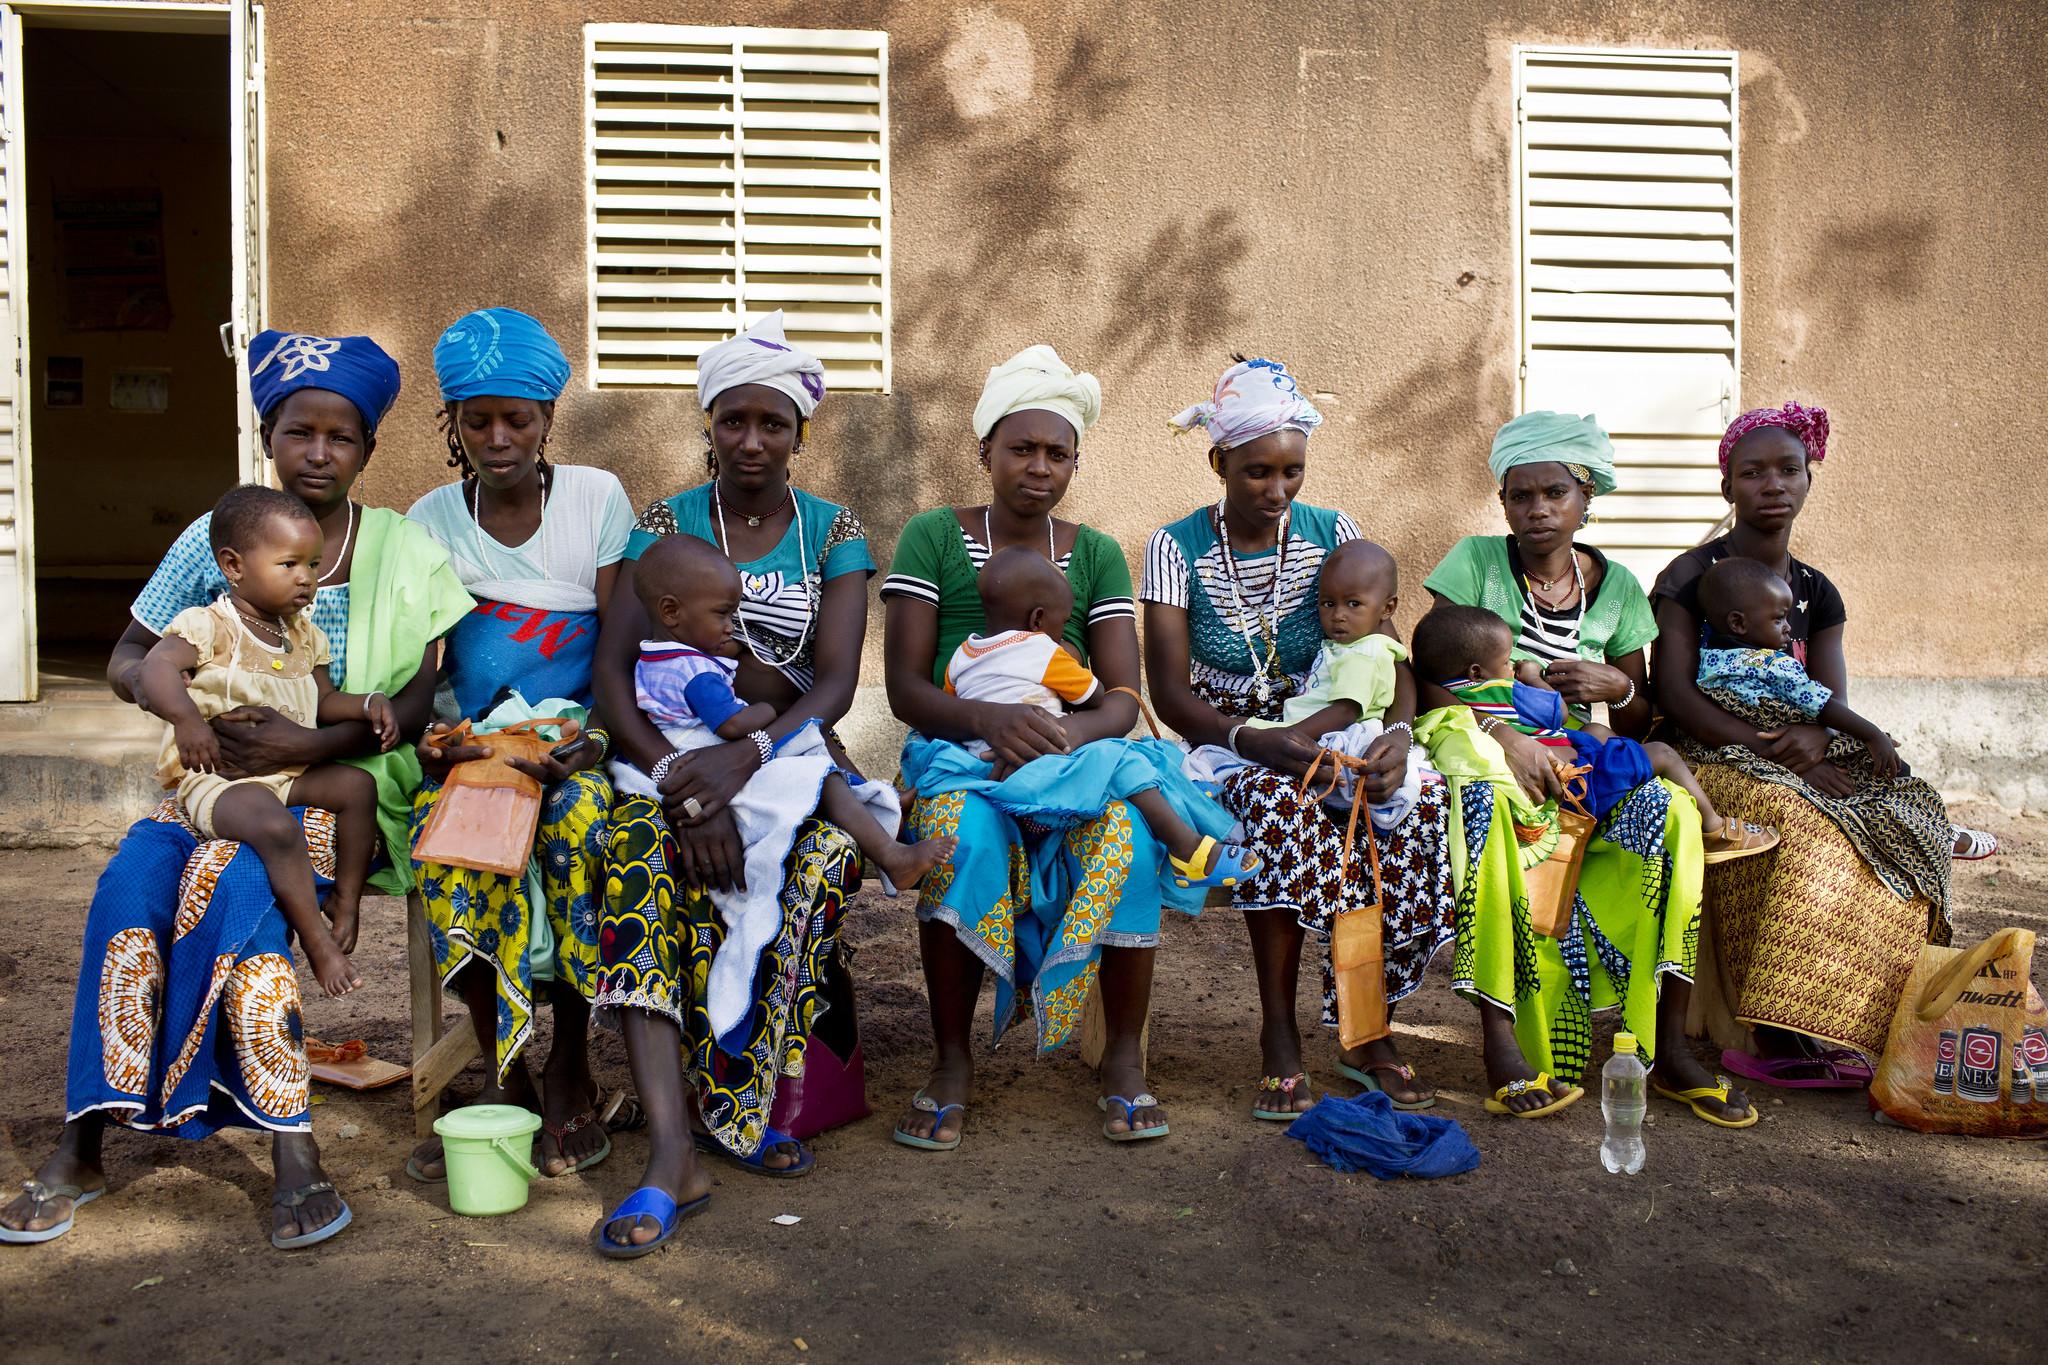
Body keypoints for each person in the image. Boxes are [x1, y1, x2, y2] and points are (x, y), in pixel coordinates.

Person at [0, 330, 469, 1249]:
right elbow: (126, 660)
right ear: (270, 434)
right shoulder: (217, 541)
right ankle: (84, 1139)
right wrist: (193, 716)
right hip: (204, 782)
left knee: (243, 884)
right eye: (300, 432)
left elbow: (413, 700)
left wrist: (304, 736)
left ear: (369, 449)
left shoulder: (401, 549)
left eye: (342, 436)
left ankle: (291, 1146)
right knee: (129, 888)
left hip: (330, 793)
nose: (320, 452)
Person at [592, 312, 875, 1256]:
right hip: (668, 755)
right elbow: (613, 666)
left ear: (800, 433)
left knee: (824, 857)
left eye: (773, 424)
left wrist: (745, 760)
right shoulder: (664, 525)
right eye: (732, 422)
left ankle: (745, 1104)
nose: (751, 441)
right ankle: (673, 1149)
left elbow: (833, 682)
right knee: (636, 852)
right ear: (708, 422)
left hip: (785, 754)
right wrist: (680, 777)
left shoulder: (836, 530)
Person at [1143, 355, 1455, 1118]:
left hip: (1343, 729)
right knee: (1281, 807)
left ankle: (1365, 1027)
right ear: (1219, 461)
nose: (1277, 491)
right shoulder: (1174, 547)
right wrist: (1255, 741)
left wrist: (1399, 736)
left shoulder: (1333, 532)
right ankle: (1279, 1033)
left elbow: (1390, 649)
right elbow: (1170, 694)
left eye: (1292, 471)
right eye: (1256, 472)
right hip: (1228, 744)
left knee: (1413, 805)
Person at [1422, 411, 1753, 1128]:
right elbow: (1435, 676)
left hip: (1585, 764)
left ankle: (1667, 1048)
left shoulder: (1621, 587)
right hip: (1493, 751)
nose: (1536, 509)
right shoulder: (1473, 563)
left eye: (1554, 493)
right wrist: (1503, 735)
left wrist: (1619, 688)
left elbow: (1639, 720)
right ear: (1503, 503)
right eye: (1519, 496)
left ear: (1586, 496)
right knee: (1484, 796)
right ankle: (1500, 1040)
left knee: (1672, 815)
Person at [887, 344, 1174, 1147]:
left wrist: (1061, 735)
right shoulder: (934, 537)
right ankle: (951, 1059)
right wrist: (987, 723)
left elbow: (1122, 694)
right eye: (1022, 447)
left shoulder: (1096, 553)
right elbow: (907, 685)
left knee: (1126, 835)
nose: (1040, 466)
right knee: (958, 836)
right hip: (959, 751)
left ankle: (1122, 1057)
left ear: (1076, 460)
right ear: (985, 450)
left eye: (1058, 452)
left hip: (1070, 751)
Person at [1652, 403, 1963, 1088]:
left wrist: (1820, 738)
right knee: (1795, 822)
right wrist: (1773, 750)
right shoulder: (1691, 578)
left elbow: (1829, 696)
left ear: (1808, 479)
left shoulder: (1817, 591)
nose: (1772, 485)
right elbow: (1673, 692)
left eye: (1788, 470)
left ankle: (1879, 1022)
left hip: (1797, 748)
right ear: (1727, 486)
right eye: (1752, 472)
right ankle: (1780, 1034)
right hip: (1705, 754)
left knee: (1903, 811)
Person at [403, 307, 631, 1184]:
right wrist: (436, 747)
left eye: (517, 419)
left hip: (575, 748)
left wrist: (592, 744)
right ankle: (511, 1065)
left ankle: (572, 1059)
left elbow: (615, 651)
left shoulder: (594, 498)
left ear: (547, 421)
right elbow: (426, 670)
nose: (498, 438)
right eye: (477, 420)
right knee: (454, 847)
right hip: (478, 755)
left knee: (580, 829)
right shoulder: (430, 518)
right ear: (453, 425)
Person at [139, 486, 403, 999]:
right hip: (219, 779)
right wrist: (188, 721)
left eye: (314, 564)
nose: (307, 578)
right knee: (273, 827)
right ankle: (316, 942)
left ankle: (346, 901)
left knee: (357, 787)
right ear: (234, 566)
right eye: (289, 564)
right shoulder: (208, 626)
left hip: (287, 775)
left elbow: (324, 699)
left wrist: (369, 703)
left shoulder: (304, 636)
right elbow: (153, 668)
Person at [616, 532, 952, 895]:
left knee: (813, 746)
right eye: (722, 614)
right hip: (707, 757)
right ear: (671, 611)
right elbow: (731, 725)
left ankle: (877, 800)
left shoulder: (655, 655)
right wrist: (766, 710)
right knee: (818, 772)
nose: (731, 626)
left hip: (676, 752)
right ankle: (890, 852)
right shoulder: (697, 673)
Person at [943, 544, 1256, 890]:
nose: (1060, 632)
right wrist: (1070, 659)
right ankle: (1189, 850)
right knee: (1120, 757)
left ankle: (1188, 800)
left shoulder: (962, 655)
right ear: (1037, 619)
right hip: (1042, 771)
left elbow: (953, 708)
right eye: (1062, 622)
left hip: (994, 775)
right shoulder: (1041, 650)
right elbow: (1094, 695)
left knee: (1135, 757)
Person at [1411, 601, 1776, 853]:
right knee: (1664, 754)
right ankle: (1714, 830)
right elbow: (1554, 712)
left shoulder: (1448, 695)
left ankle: (1640, 767)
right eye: (1506, 661)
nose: (1511, 667)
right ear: (1477, 671)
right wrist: (1534, 677)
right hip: (1576, 785)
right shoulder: (1499, 688)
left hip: (1558, 764)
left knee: (1599, 734)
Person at [1695, 556, 1900, 773]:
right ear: (1738, 623)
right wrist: (1872, 734)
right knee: (1893, 767)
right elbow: (1821, 704)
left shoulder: (1708, 661)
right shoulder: (1772, 664)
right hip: (1790, 752)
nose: (1788, 627)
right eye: (1778, 619)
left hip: (1732, 760)